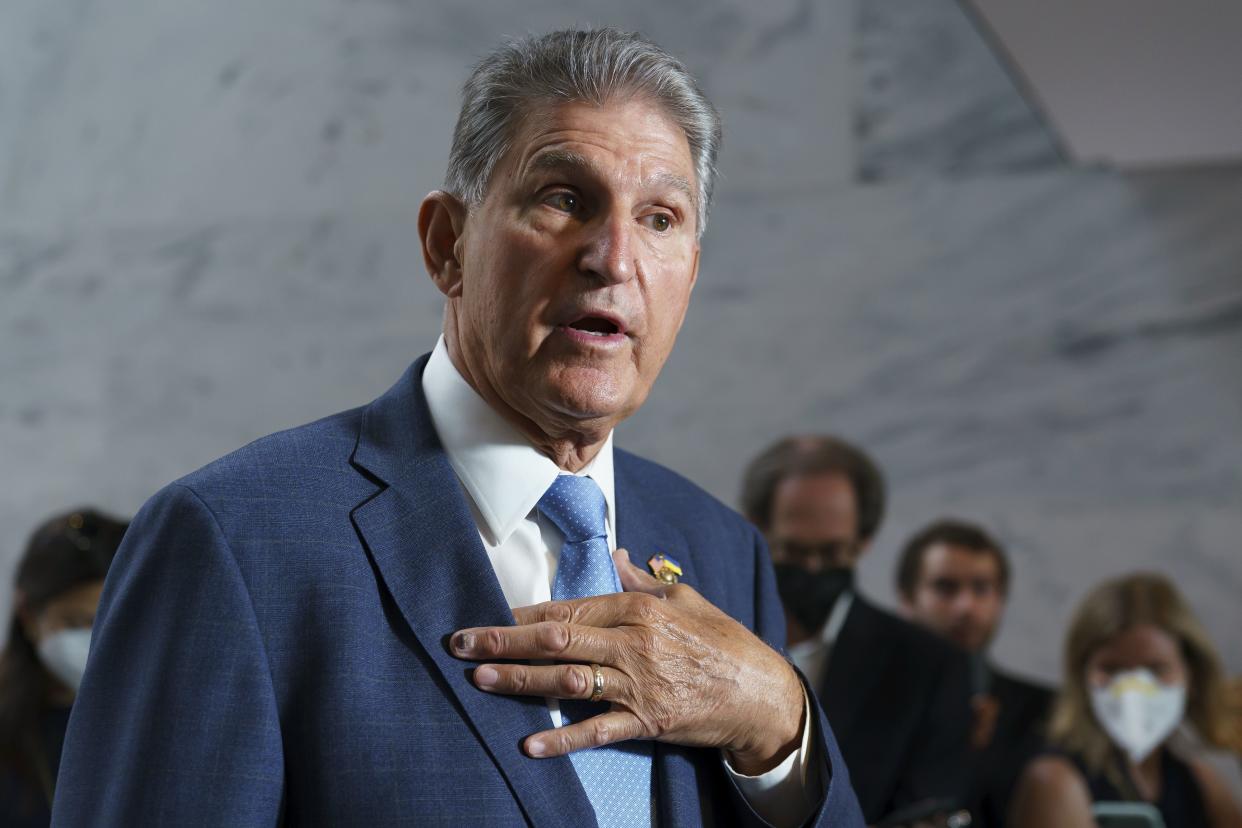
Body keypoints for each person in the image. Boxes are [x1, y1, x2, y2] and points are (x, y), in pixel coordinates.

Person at [52, 28, 864, 827]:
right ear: (447, 245)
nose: (615, 259)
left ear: (690, 273)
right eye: (563, 199)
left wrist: (779, 722)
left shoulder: (721, 549)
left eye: (660, 217)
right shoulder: (236, 542)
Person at [741, 435, 973, 825]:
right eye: (795, 552)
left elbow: (925, 810)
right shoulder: (724, 634)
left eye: (833, 553)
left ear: (863, 541)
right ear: (758, 532)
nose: (813, 569)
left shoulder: (928, 666)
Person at [1010, 572, 1242, 828]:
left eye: (1156, 669)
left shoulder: (1199, 781)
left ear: (1191, 674)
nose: (1133, 689)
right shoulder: (1056, 780)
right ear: (1081, 676)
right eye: (1112, 670)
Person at [896, 518, 1054, 827]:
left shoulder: (1046, 712)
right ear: (907, 598)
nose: (965, 606)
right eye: (945, 587)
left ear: (1001, 600)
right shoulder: (870, 707)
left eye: (981, 588)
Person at [0, 509, 126, 827]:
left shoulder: (163, 717)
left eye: (114, 624)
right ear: (28, 615)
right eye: (78, 623)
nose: (96, 642)